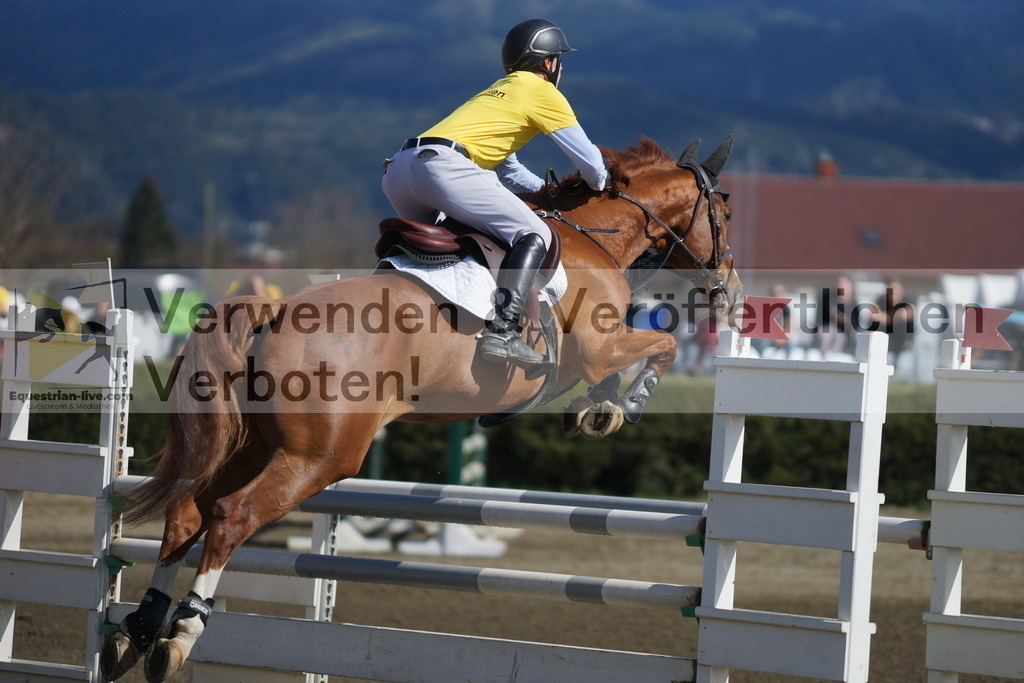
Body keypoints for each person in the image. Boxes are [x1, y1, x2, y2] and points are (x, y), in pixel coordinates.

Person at [381, 18, 608, 371]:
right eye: (559, 59)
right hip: (443, 168)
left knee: (436, 251)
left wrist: (544, 195)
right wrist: (600, 187)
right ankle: (502, 333)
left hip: (399, 167)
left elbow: (510, 171)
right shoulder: (543, 91)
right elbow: (592, 166)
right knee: (534, 234)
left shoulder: (495, 92)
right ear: (548, 62)